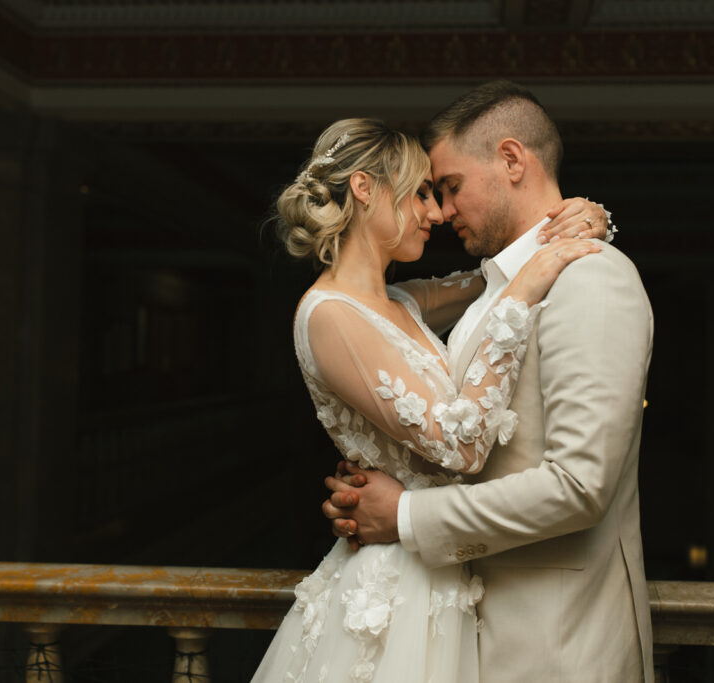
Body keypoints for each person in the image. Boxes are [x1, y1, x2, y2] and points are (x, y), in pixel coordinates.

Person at [251, 117, 610, 683]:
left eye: (439, 194)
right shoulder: (327, 316)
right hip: (397, 588)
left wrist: (582, 219)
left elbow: (491, 278)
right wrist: (523, 290)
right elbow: (461, 447)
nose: (438, 213)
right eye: (421, 192)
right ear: (366, 190)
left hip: (446, 571)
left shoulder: (403, 301)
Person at [323, 81, 655, 683]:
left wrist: (403, 513)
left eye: (451, 187)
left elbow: (580, 486)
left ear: (511, 160)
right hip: (460, 631)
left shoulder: (593, 281)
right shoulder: (489, 290)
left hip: (556, 644)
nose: (442, 211)